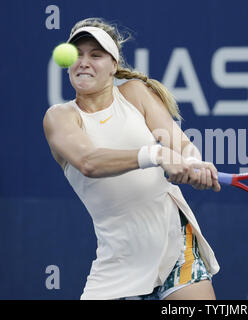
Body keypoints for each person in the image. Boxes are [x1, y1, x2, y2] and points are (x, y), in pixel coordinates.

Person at [43, 17, 221, 300]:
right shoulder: (60, 117)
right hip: (118, 260)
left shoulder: (136, 95)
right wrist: (157, 154)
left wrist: (193, 165)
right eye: (77, 54)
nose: (84, 62)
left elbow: (182, 145)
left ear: (114, 65)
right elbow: (89, 161)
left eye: (96, 55)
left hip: (173, 240)